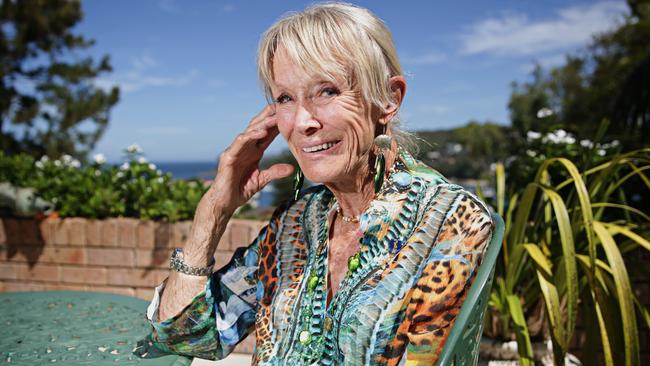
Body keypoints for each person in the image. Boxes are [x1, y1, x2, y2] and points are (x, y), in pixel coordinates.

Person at [146, 3, 494, 365]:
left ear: (389, 99)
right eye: (285, 98)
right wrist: (214, 211)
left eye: (326, 91)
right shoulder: (295, 222)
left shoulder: (450, 224)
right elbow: (186, 337)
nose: (301, 122)